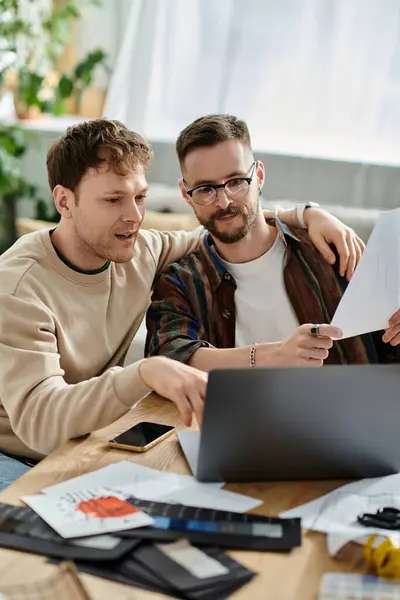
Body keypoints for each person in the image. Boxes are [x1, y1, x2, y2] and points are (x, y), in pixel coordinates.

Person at [0, 118, 365, 491]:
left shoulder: (138, 248)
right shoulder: (17, 289)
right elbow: (39, 425)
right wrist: (144, 372)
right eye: (113, 200)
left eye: (139, 197)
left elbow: (225, 222)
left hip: (76, 443)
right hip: (15, 455)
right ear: (64, 201)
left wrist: (307, 214)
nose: (134, 216)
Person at [145, 114, 400, 372]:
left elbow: (389, 350)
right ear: (185, 194)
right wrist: (272, 354)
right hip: (246, 412)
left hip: (354, 409)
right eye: (205, 189)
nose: (223, 202)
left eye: (236, 182)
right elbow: (166, 359)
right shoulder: (180, 281)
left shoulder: (330, 250)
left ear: (259, 176)